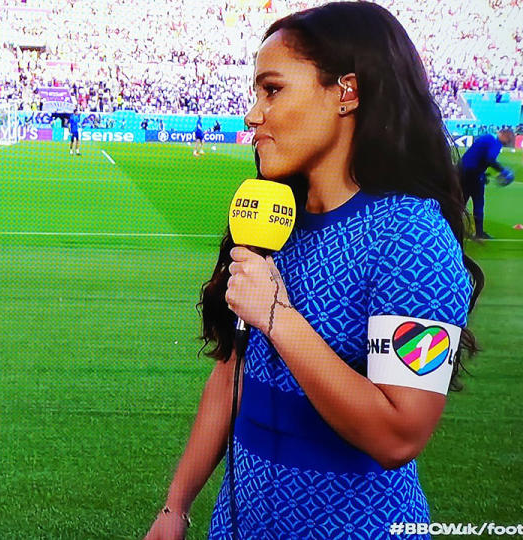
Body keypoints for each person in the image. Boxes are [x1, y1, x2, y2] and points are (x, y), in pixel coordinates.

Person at [144, 3, 483, 539]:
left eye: (272, 90)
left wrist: (279, 318)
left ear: (346, 92)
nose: (253, 115)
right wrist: (176, 505)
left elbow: (398, 434)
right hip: (238, 526)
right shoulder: (274, 216)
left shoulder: (411, 237)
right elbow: (232, 369)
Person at [458, 128, 515, 239]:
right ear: (504, 135)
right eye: (509, 138)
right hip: (471, 174)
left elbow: (478, 157)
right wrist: (503, 171)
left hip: (464, 172)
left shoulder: (488, 138)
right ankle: (479, 233)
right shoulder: (495, 142)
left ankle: (454, 229)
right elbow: (490, 159)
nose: (508, 142)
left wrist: (483, 175)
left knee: (462, 201)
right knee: (478, 202)